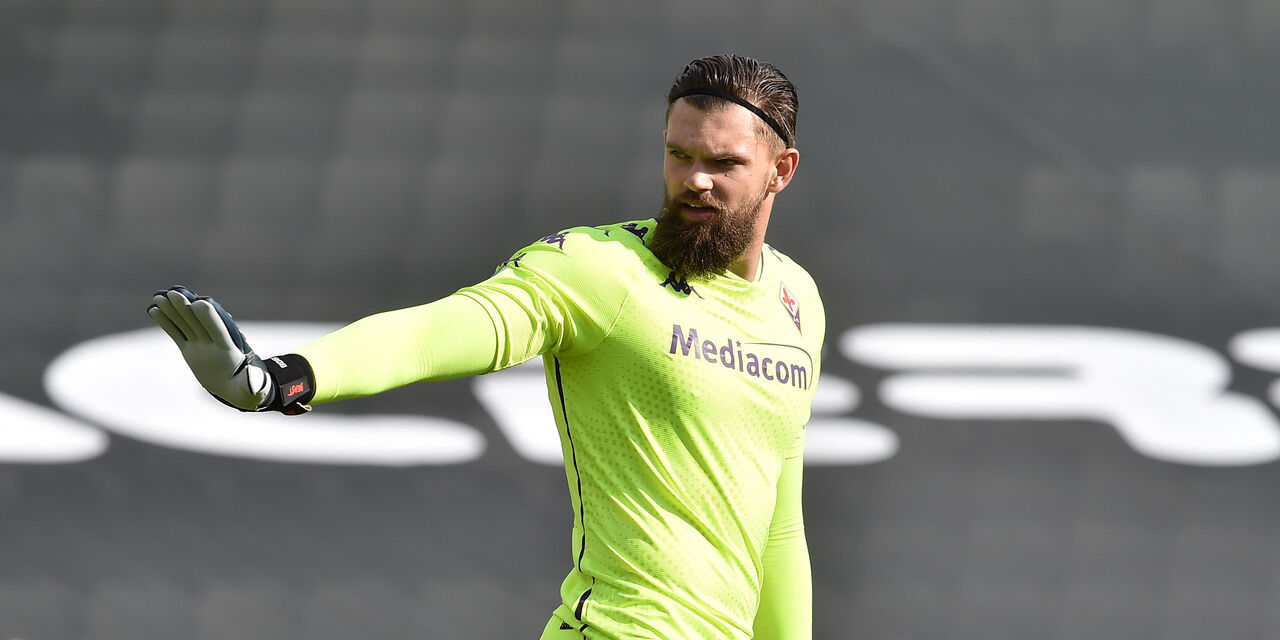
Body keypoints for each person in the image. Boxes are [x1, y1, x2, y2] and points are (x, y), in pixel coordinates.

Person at [149, 54, 824, 640]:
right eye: (679, 155)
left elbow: (779, 528)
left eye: (724, 163)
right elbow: (434, 332)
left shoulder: (798, 304)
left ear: (781, 170)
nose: (695, 179)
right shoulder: (603, 270)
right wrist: (286, 377)